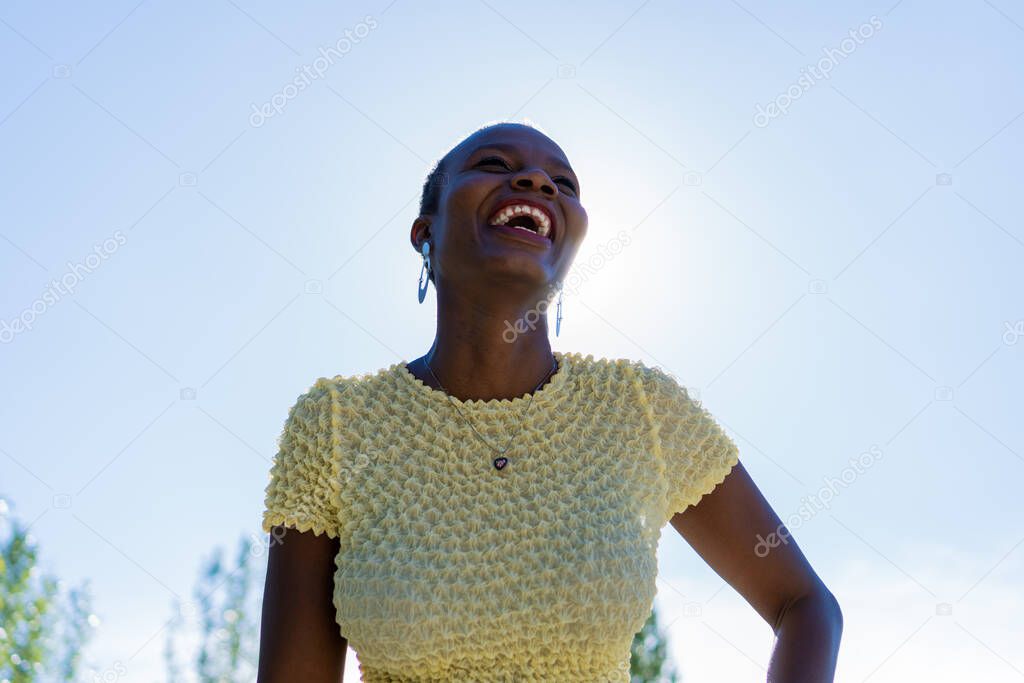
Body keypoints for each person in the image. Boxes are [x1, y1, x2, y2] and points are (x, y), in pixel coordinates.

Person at [255, 121, 842, 682]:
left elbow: (803, 603)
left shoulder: (641, 409)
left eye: (563, 184)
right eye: (494, 165)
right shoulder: (334, 424)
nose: (537, 183)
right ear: (424, 233)